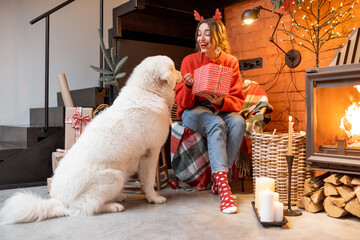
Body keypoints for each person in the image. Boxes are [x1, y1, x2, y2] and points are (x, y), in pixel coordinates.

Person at [174, 9, 246, 214]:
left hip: (220, 107)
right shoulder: (189, 60)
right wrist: (188, 87)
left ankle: (217, 180)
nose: (202, 38)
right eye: (199, 34)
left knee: (238, 122)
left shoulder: (230, 62)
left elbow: (238, 99)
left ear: (218, 37)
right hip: (193, 110)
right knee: (217, 124)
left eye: (207, 34)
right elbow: (180, 101)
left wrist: (222, 101)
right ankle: (224, 189)